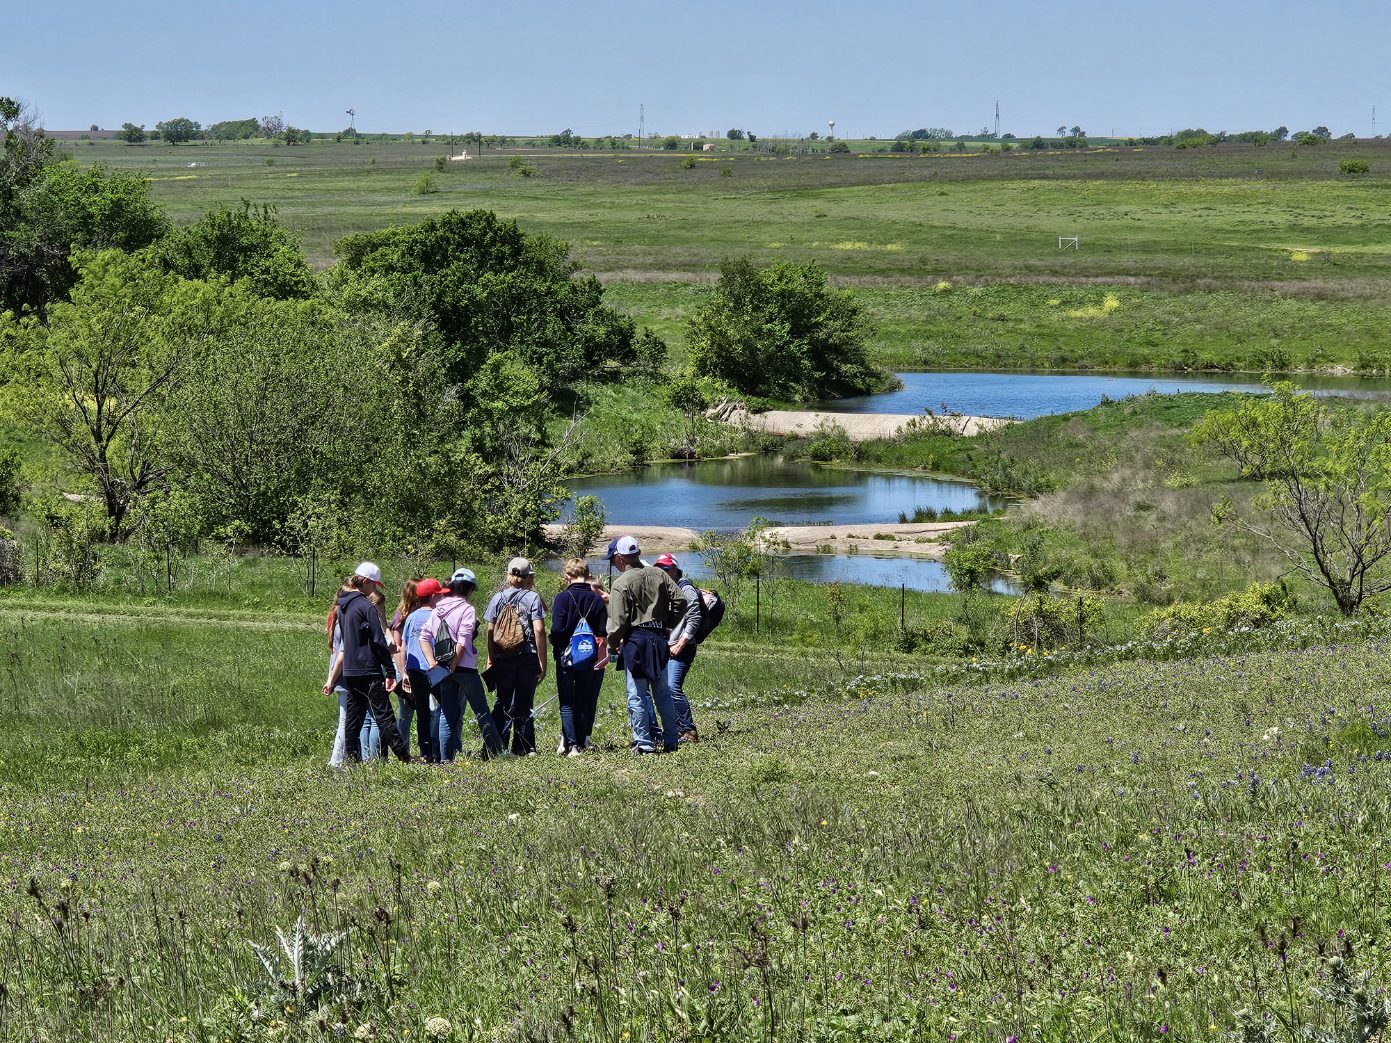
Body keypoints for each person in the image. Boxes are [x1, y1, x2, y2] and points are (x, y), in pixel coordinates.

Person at [323, 562, 411, 763]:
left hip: (351, 671)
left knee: (353, 721)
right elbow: (379, 640)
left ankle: (352, 761)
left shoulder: (342, 607)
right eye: (374, 585)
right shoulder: (366, 606)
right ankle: (405, 759)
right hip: (369, 671)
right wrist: (389, 671)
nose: (374, 589)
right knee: (384, 717)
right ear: (365, 582)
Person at [605, 536, 684, 754]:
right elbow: (680, 601)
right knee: (662, 693)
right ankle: (671, 741)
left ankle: (644, 742)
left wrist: (612, 646)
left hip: (636, 640)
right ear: (638, 553)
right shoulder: (659, 573)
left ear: (620, 558)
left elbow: (617, 622)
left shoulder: (621, 583)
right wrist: (667, 624)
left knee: (637, 694)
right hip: (659, 638)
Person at [422, 568, 505, 761]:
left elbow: (424, 637)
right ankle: (497, 753)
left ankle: (445, 759)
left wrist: (433, 663)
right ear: (469, 589)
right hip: (465, 668)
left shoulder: (438, 609)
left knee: (446, 714)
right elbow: (463, 640)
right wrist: (454, 664)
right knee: (481, 710)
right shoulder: (467, 609)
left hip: (441, 668)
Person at [485, 557, 547, 756]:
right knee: (525, 701)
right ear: (528, 576)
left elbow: (490, 630)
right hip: (526, 656)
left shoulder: (497, 598)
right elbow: (538, 630)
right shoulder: (532, 598)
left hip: (503, 657)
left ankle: (496, 746)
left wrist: (491, 656)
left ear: (509, 576)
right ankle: (524, 746)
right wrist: (542, 661)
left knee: (502, 702)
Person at [549, 558, 608, 755]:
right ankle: (581, 742)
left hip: (566, 655)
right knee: (583, 699)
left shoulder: (562, 598)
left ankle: (570, 744)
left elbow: (557, 629)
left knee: (567, 701)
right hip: (588, 654)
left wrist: (556, 644)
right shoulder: (597, 599)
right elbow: (602, 630)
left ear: (567, 575)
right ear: (587, 573)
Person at [654, 554, 702, 743]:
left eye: (665, 569)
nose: (662, 572)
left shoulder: (685, 587)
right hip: (670, 646)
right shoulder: (667, 588)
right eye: (659, 569)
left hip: (683, 647)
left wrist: (681, 643)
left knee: (673, 688)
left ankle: (688, 730)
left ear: (674, 569)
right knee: (667, 688)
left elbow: (695, 617)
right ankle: (677, 730)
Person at [396, 577, 443, 761]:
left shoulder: (412, 617)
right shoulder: (438, 615)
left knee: (423, 713)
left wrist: (405, 671)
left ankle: (425, 752)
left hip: (414, 669)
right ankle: (440, 750)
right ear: (432, 596)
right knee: (445, 709)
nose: (440, 598)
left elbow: (405, 645)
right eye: (439, 594)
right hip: (434, 668)